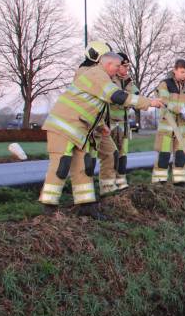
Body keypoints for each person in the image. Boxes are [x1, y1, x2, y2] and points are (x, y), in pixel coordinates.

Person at [39, 45, 162, 218]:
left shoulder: (101, 76)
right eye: (117, 66)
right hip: (64, 127)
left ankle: (87, 206)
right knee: (61, 165)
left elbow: (91, 107)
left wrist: (100, 126)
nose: (119, 70)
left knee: (83, 168)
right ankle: (48, 209)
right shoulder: (98, 75)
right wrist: (149, 102)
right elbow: (116, 97)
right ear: (108, 64)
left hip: (79, 130)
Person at [96, 52, 139, 194]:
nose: (126, 69)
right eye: (124, 66)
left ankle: (121, 182)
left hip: (124, 125)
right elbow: (115, 98)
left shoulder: (128, 81)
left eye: (128, 66)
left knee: (123, 154)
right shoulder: (108, 79)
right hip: (109, 124)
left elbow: (136, 96)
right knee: (110, 154)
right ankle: (109, 183)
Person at [152, 59, 185, 185]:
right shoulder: (165, 84)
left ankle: (180, 181)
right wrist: (180, 109)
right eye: (182, 72)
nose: (184, 74)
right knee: (164, 156)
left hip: (182, 129)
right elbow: (164, 101)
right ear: (175, 70)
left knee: (181, 156)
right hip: (167, 128)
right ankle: (159, 182)